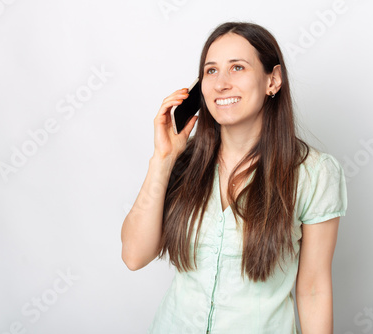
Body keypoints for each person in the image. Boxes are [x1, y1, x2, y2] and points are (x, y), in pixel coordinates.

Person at [121, 21, 348, 334]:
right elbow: (134, 255)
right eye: (211, 71)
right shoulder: (184, 163)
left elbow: (313, 288)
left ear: (273, 80)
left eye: (237, 67)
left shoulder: (314, 173)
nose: (220, 83)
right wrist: (163, 159)